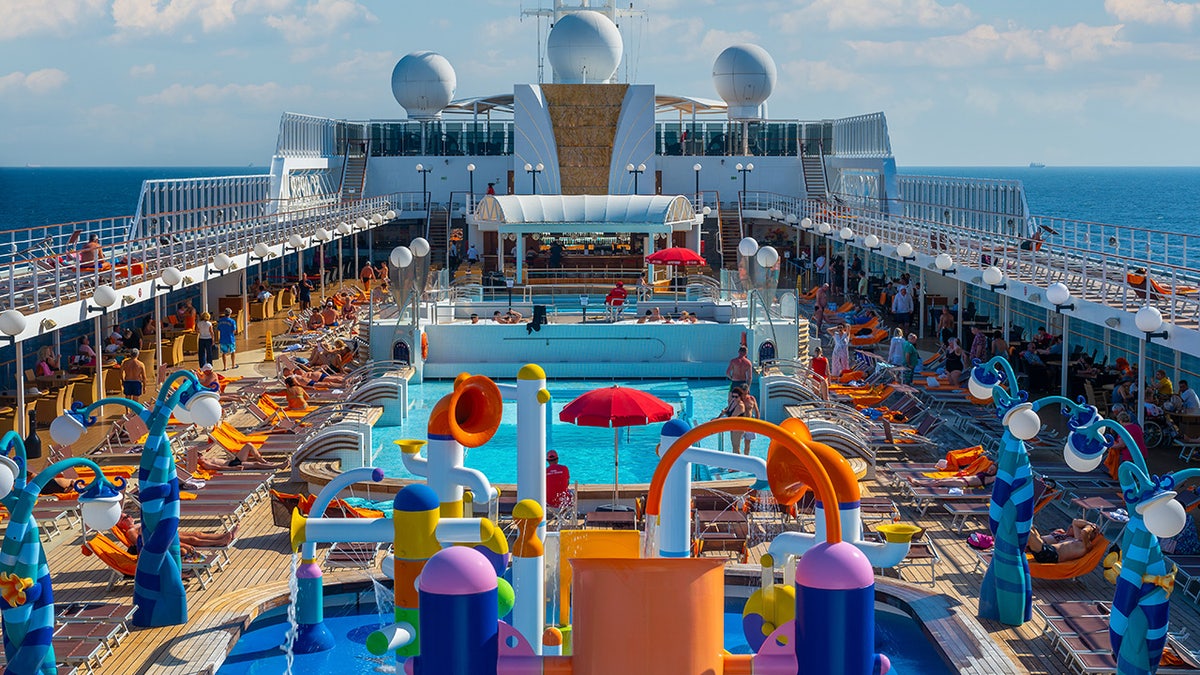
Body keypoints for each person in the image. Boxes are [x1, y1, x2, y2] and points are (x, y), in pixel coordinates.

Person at [1027, 519, 1098, 564]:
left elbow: (1084, 531)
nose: (1079, 532)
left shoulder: (1086, 546)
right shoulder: (1077, 539)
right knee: (1030, 525)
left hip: (1050, 555)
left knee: (1027, 529)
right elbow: (1075, 522)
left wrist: (1091, 527)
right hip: (1047, 549)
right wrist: (1089, 524)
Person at [916, 462, 997, 489]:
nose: (990, 470)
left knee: (939, 483)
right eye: (990, 468)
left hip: (964, 483)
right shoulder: (985, 473)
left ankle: (919, 483)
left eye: (992, 470)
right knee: (940, 480)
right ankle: (920, 482)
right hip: (962, 479)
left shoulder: (991, 478)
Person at [716, 388, 748, 453]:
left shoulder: (740, 406)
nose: (734, 398)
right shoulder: (733, 402)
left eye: (736, 397)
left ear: (740, 397)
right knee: (734, 446)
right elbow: (726, 410)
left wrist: (720, 422)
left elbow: (732, 417)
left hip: (738, 427)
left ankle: (739, 462)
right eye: (733, 396)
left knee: (736, 447)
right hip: (733, 426)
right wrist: (718, 418)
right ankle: (735, 461)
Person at [740, 390, 759, 455]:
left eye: (746, 394)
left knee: (747, 443)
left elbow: (756, 411)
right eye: (743, 394)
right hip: (740, 423)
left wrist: (757, 422)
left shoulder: (752, 399)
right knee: (737, 443)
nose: (744, 396)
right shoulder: (738, 400)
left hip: (750, 422)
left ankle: (746, 458)